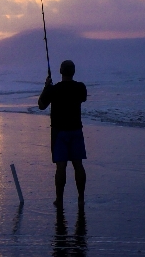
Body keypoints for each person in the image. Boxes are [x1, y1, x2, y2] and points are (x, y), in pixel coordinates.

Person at [38, 60, 88, 207]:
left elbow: (41, 105)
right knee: (78, 165)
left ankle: (59, 199)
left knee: (61, 167)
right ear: (73, 72)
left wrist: (46, 87)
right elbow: (83, 98)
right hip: (76, 130)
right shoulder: (80, 87)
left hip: (59, 132)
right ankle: (81, 198)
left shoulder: (54, 89)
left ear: (61, 71)